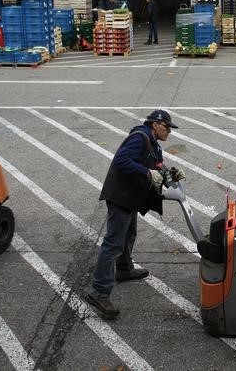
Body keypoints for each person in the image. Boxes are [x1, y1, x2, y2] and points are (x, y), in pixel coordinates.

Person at [85, 109, 185, 320]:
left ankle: (124, 268)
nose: (169, 132)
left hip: (130, 198)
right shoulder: (140, 138)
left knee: (129, 235)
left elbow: (158, 166)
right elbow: (121, 160)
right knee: (113, 243)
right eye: (167, 127)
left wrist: (171, 174)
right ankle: (98, 291)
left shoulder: (153, 143)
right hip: (121, 196)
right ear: (155, 124)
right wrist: (147, 173)